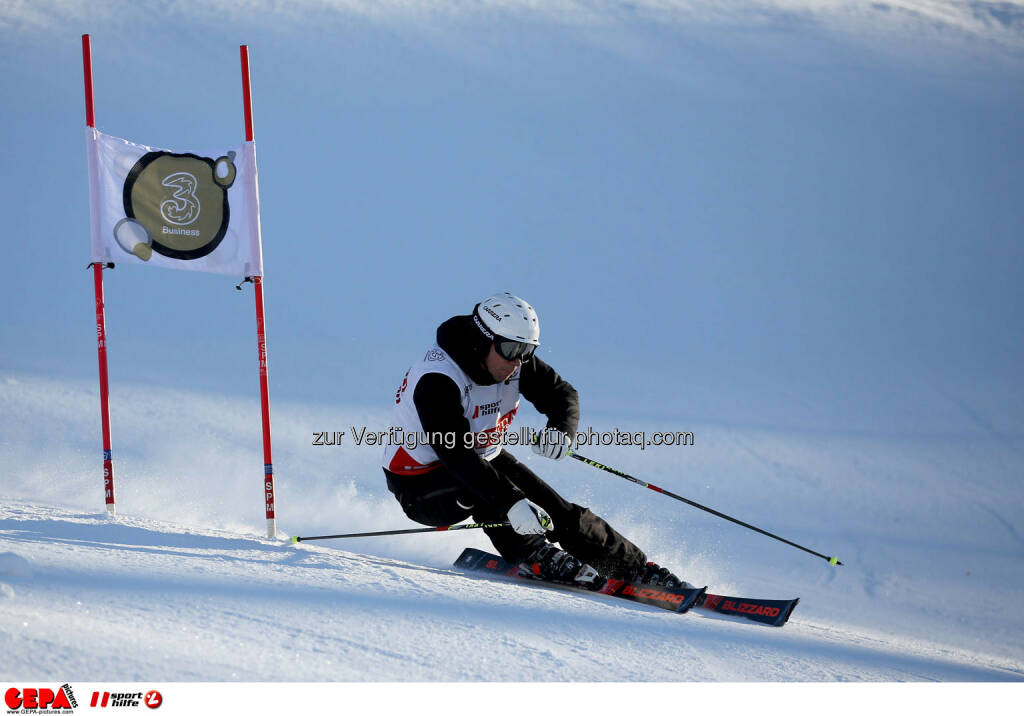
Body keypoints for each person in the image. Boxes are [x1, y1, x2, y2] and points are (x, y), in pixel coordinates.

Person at [382, 292, 689, 590]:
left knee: (557, 511)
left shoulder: (512, 361)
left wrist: (560, 429)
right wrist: (511, 502)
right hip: (420, 485)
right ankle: (533, 554)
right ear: (482, 340)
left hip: (482, 459)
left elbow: (562, 394)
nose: (518, 361)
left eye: (526, 350)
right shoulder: (437, 380)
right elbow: (458, 457)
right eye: (511, 349)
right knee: (493, 495)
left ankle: (632, 568)